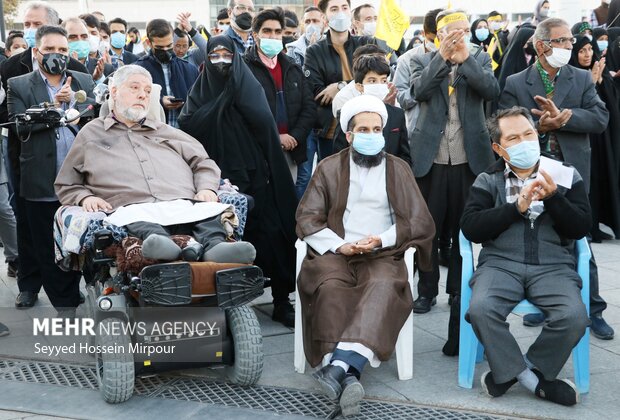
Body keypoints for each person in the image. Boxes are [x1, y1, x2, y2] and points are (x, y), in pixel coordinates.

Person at [297, 95, 434, 416]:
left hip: (383, 252)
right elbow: (307, 218)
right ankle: (350, 374)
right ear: (349, 135)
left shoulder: (399, 168)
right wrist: (339, 245)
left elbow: (418, 220)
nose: (371, 135)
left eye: (377, 129)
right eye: (364, 129)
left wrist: (381, 239)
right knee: (330, 288)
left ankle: (336, 367)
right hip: (337, 251)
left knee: (385, 284)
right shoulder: (328, 168)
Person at [55, 64, 255, 264]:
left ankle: (215, 247)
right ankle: (164, 246)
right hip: (131, 206)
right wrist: (85, 198)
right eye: (135, 88)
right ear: (114, 91)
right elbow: (66, 183)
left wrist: (206, 188)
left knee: (208, 214)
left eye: (148, 91)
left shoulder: (167, 131)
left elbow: (203, 163)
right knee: (141, 223)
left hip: (183, 202)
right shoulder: (91, 133)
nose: (143, 95)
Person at [462, 106, 590, 407]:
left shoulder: (564, 173)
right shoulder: (488, 179)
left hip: (553, 265)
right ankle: (536, 383)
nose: (524, 142)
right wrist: (514, 209)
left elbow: (582, 226)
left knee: (574, 317)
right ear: (499, 148)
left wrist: (554, 197)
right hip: (500, 264)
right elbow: (471, 228)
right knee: (481, 309)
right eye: (513, 138)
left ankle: (513, 372)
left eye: (529, 134)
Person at [499, 17, 614, 341]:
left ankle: (594, 310)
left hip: (572, 172)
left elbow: (600, 116)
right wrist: (539, 129)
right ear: (541, 46)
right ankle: (543, 300)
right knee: (538, 234)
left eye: (568, 41)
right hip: (531, 172)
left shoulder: (579, 79)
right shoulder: (517, 83)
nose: (569, 47)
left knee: (580, 239)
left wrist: (567, 118)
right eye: (561, 41)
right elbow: (502, 125)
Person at [178, 35, 298, 328]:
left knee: (270, 231)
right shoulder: (202, 89)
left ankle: (282, 299)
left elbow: (262, 122)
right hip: (215, 177)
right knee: (223, 237)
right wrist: (221, 104)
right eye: (214, 55)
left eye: (226, 54)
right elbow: (189, 122)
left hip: (256, 172)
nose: (221, 61)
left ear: (235, 55)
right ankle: (224, 301)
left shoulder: (248, 86)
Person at [409, 9, 499, 356]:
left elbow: (491, 89)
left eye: (463, 31)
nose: (459, 36)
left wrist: (466, 61)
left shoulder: (481, 59)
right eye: (452, 32)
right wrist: (443, 59)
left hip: (469, 159)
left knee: (464, 230)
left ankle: (457, 290)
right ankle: (427, 290)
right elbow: (419, 91)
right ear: (438, 35)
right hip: (431, 158)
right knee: (428, 231)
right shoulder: (422, 59)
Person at [0, 1, 89, 310]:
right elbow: (17, 122)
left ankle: (70, 288)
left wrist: (75, 107)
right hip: (34, 168)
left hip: (78, 175)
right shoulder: (16, 77)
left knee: (74, 237)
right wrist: (54, 108)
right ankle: (45, 292)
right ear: (37, 50)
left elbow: (93, 116)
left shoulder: (80, 76)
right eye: (49, 47)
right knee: (37, 234)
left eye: (62, 49)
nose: (57, 54)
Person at [243, 8, 316, 181]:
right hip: (257, 151)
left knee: (288, 199)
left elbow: (309, 108)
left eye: (277, 32)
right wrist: (274, 137)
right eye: (267, 31)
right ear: (255, 34)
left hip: (290, 149)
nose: (273, 36)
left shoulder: (293, 67)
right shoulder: (243, 68)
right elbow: (241, 112)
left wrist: (294, 137)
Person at [303, 0, 372, 161]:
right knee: (334, 181)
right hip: (330, 131)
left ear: (350, 12)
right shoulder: (314, 52)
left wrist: (341, 86)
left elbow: (373, 82)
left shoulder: (365, 43)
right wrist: (355, 85)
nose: (340, 13)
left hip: (365, 126)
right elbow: (318, 93)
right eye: (334, 9)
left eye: (344, 8)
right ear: (324, 17)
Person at [568, 35, 620, 242]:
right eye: (582, 51)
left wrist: (601, 82)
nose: (587, 54)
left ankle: (596, 224)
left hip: (600, 139)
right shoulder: (572, 75)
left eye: (590, 49)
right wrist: (589, 83)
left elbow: (610, 107)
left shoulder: (601, 73)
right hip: (580, 138)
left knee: (599, 178)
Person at [332, 54, 410, 164]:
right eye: (372, 81)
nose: (379, 85)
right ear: (359, 86)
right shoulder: (347, 113)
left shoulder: (397, 114)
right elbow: (338, 156)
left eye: (383, 81)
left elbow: (404, 156)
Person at [136, 19, 199, 129]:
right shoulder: (137, 70)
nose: (165, 50)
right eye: (160, 47)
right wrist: (159, 102)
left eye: (169, 45)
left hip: (184, 137)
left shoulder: (190, 69)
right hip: (150, 136)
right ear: (149, 43)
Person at [394, 8, 442, 144]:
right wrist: (422, 89)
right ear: (424, 33)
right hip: (419, 134)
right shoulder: (406, 60)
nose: (437, 45)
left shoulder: (457, 59)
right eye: (433, 40)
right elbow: (401, 98)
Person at [62, 17, 111, 83]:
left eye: (84, 36)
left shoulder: (106, 68)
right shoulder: (58, 67)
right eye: (73, 37)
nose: (80, 40)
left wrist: (98, 80)